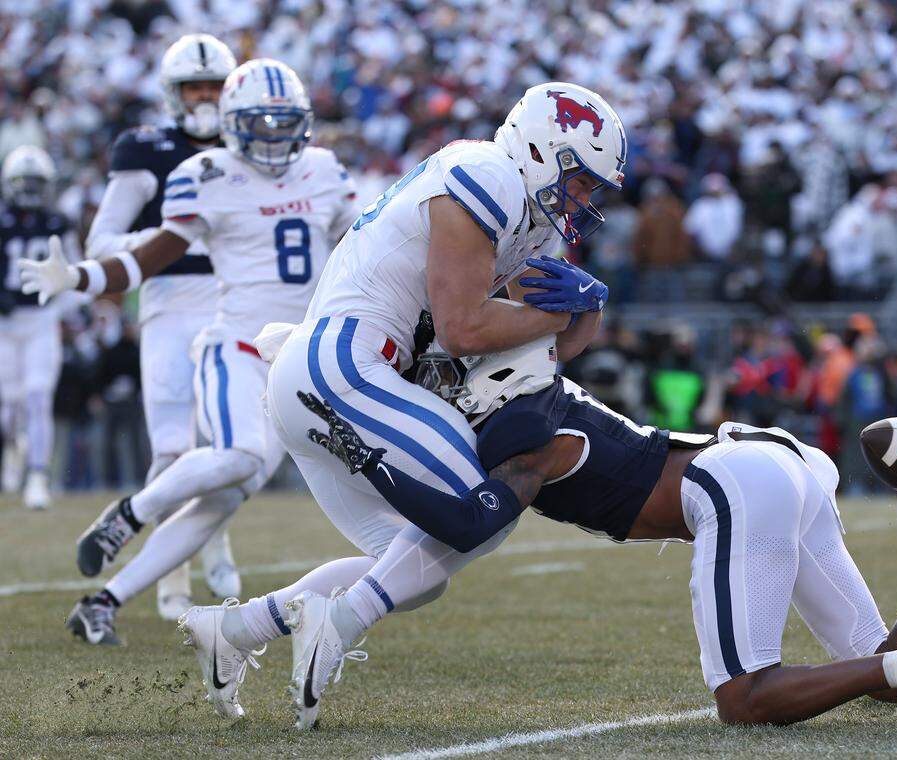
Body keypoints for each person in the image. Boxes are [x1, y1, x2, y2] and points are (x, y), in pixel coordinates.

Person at [182, 336, 897, 734]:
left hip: (731, 485)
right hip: (772, 465)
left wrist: (372, 462)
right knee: (869, 666)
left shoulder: (518, 430)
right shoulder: (541, 388)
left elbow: (465, 521)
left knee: (745, 699)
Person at [177, 82, 623, 727]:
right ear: (540, 149)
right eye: (579, 180)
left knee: (415, 569)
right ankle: (335, 625)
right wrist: (563, 314)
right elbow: (465, 328)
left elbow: (543, 350)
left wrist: (588, 311)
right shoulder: (487, 173)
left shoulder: (529, 221)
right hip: (344, 365)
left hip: (334, 378)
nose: (583, 199)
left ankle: (238, 628)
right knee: (481, 511)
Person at [19, 58, 358, 646]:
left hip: (295, 360)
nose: (274, 137)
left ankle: (101, 603)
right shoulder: (205, 173)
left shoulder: (325, 170)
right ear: (232, 124)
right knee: (239, 455)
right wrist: (78, 278)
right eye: (260, 122)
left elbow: (361, 243)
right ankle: (128, 515)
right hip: (234, 347)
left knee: (223, 498)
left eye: (284, 123)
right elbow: (147, 259)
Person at [84, 33, 240, 621]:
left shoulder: (250, 145)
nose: (204, 97)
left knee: (230, 446)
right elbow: (100, 242)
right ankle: (173, 578)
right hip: (169, 299)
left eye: (213, 87)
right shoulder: (145, 148)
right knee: (173, 446)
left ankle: (214, 538)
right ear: (174, 94)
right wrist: (175, 237)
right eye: (193, 88)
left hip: (235, 302)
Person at [0, 145, 78, 509]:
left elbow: (74, 270)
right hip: (4, 323)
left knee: (37, 396)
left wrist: (67, 306)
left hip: (41, 320)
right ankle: (14, 451)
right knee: (8, 403)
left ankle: (37, 476)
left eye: (36, 183)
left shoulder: (58, 223)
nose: (30, 190)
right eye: (24, 182)